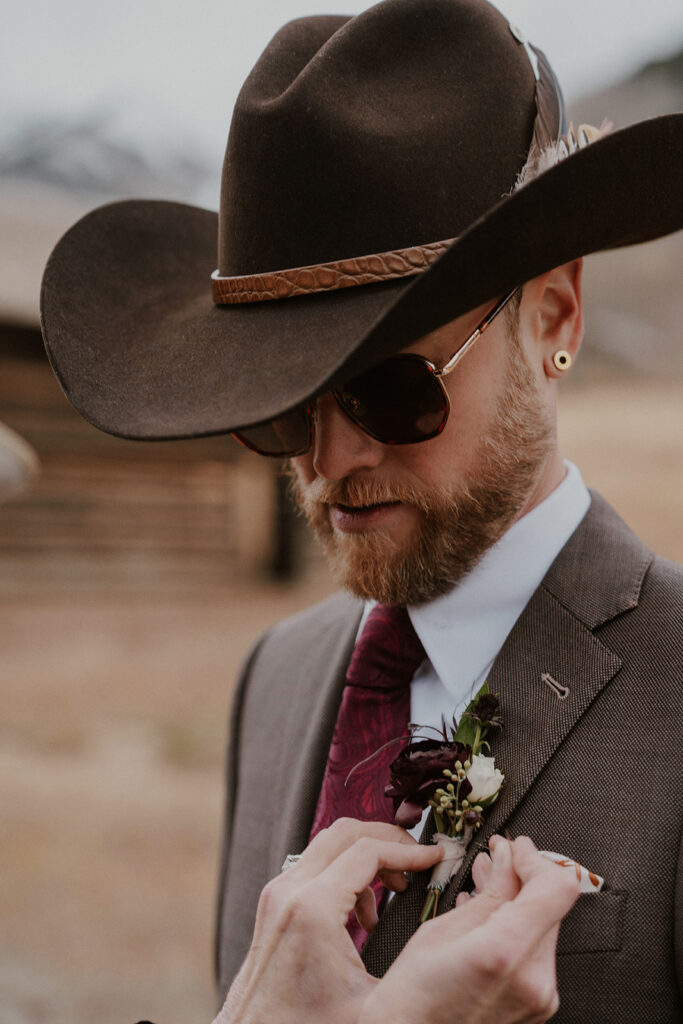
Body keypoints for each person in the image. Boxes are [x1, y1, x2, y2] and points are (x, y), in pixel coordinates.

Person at [40, 1, 682, 1021]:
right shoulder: (279, 677)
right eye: (286, 409)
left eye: (394, 390)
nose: (331, 462)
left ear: (552, 316)